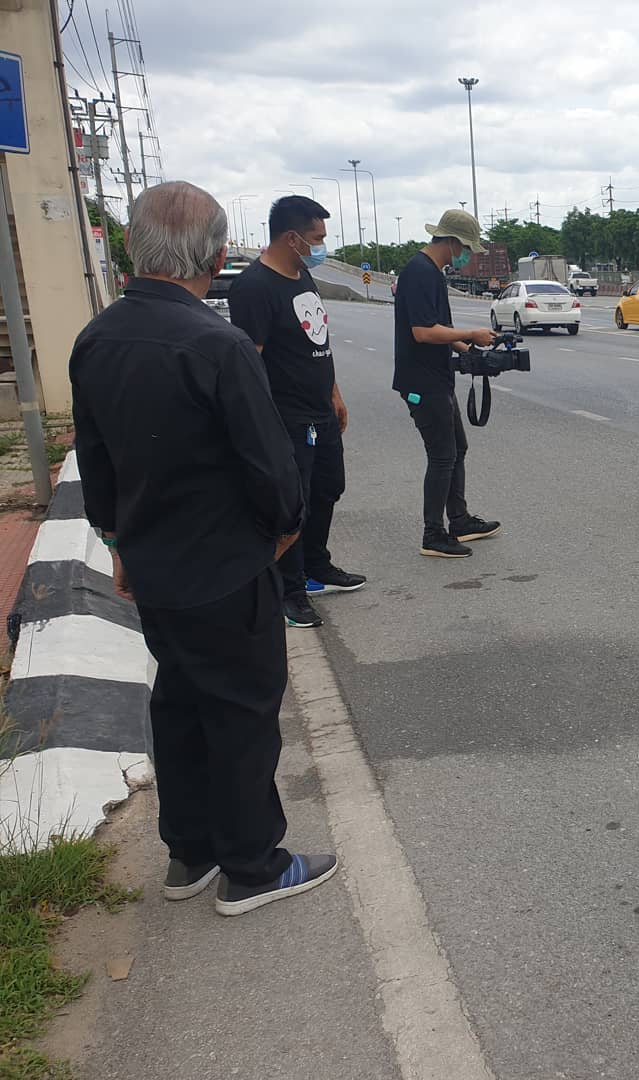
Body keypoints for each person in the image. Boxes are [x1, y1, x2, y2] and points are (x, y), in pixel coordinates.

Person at [69, 181, 337, 917]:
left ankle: (189, 851)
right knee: (242, 712)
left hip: (153, 564)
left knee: (180, 701)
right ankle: (253, 865)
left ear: (132, 247)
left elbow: (97, 459)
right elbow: (271, 467)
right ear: (218, 256)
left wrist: (119, 542)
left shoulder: (97, 339)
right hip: (225, 565)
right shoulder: (215, 345)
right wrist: (280, 533)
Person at [228, 195, 366, 630]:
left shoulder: (303, 274)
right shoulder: (254, 289)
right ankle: (290, 591)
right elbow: (250, 361)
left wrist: (334, 392)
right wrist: (264, 425)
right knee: (294, 504)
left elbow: (316, 343)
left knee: (329, 488)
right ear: (291, 238)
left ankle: (316, 565)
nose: (322, 245)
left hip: (320, 409)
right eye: (316, 238)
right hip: (286, 417)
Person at [393, 209, 500, 558]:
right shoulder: (420, 273)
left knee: (457, 448)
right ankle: (433, 534)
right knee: (442, 456)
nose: (467, 255)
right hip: (421, 382)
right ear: (452, 242)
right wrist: (470, 332)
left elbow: (437, 327)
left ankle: (459, 520)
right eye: (466, 247)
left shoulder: (432, 273)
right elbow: (422, 332)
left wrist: (468, 347)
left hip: (437, 378)